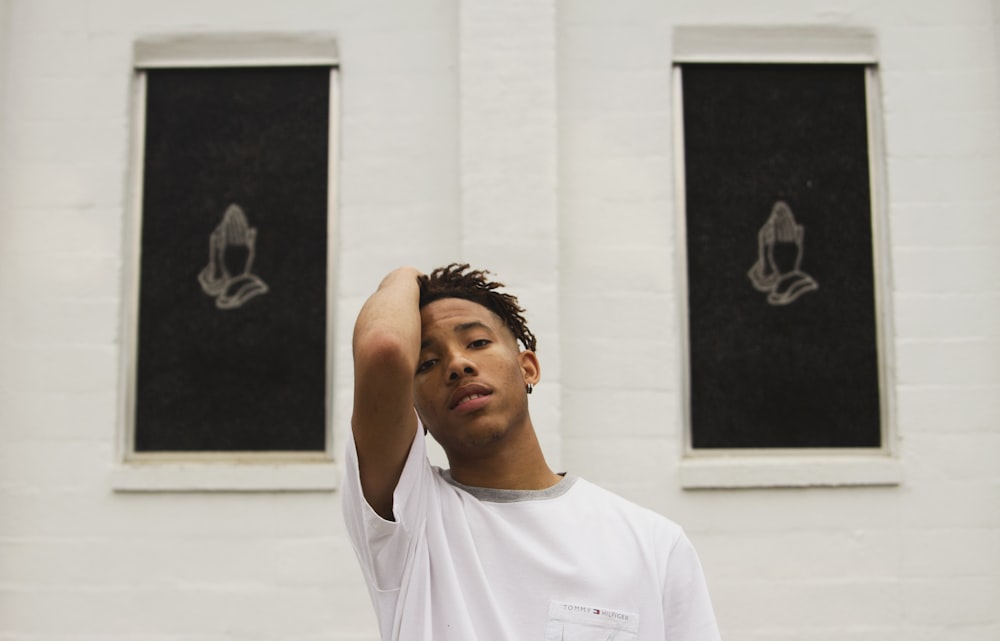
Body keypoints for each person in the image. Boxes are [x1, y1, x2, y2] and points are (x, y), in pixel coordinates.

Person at [343, 263, 721, 641]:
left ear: (529, 368)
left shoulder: (653, 544)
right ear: (413, 409)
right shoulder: (407, 522)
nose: (458, 364)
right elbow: (384, 348)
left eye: (477, 342)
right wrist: (406, 275)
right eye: (427, 363)